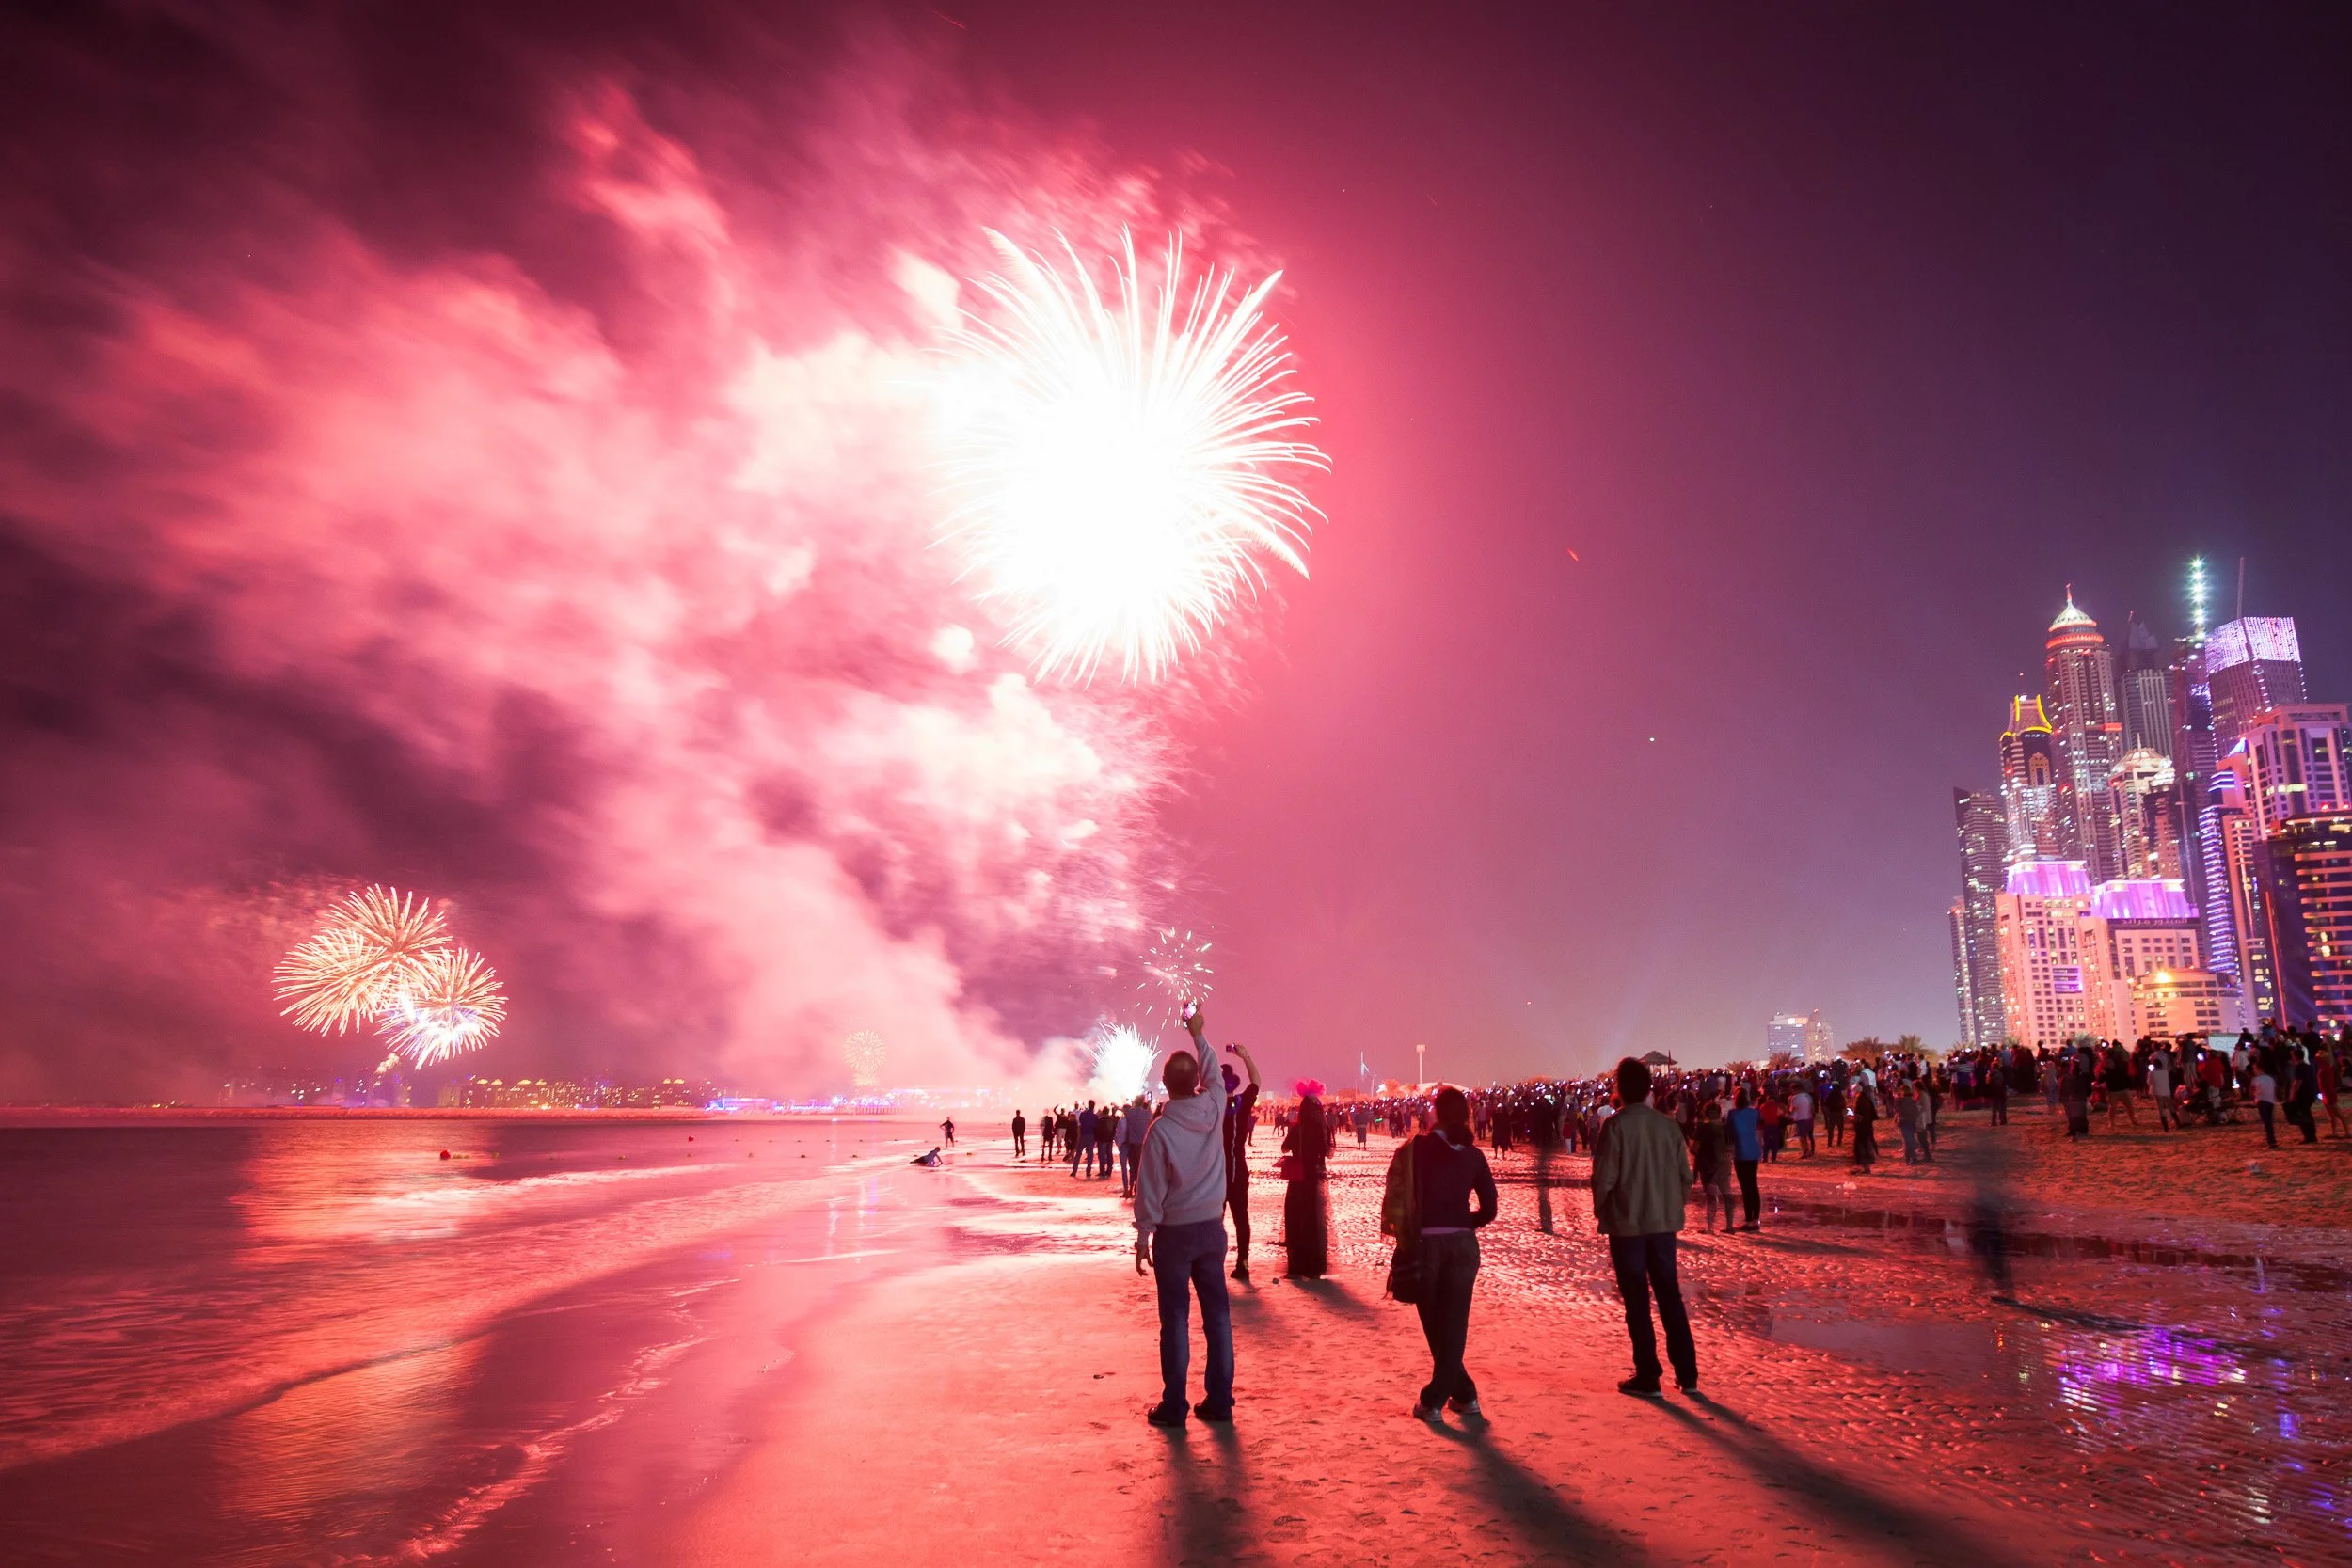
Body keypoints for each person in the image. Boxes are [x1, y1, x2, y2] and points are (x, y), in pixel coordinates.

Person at [1134, 1004, 1234, 1427]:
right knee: (1218, 1317)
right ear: (1196, 1082)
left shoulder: (1161, 1131)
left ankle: (1175, 1405)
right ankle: (1219, 1400)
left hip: (1174, 1236)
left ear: (1164, 1085)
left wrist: (1143, 1236)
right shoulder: (1214, 1108)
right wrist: (1198, 1033)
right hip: (1212, 1230)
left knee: (1174, 1318)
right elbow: (1213, 1072)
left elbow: (1150, 1189)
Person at [1591, 1056, 1698, 1397]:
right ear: (1650, 1088)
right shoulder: (1668, 1127)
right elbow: (1686, 1177)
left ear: (1619, 1088)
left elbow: (1604, 1178)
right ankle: (1688, 1373)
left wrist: (1603, 1212)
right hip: (1663, 1225)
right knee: (1670, 1296)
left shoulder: (1616, 1127)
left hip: (1627, 1227)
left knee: (1636, 1301)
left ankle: (1648, 1374)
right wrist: (1672, 1206)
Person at [1391, 1085, 1498, 1420]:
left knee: (1437, 1324)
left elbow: (1398, 1195)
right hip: (1464, 1246)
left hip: (1427, 1245)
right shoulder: (1473, 1155)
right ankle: (1464, 1394)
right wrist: (1466, 1222)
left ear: (1434, 1113)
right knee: (1452, 1323)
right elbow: (1491, 1207)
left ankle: (1434, 1399)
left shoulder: (1418, 1149)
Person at [1220, 1045, 1264, 1279]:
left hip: (1216, 1173)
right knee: (1241, 1219)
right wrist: (1245, 1055)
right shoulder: (1240, 1103)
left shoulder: (1210, 1106)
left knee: (1215, 1222)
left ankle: (1214, 1263)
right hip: (1238, 1171)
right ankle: (1243, 1262)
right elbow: (1256, 1081)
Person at [1281, 1092, 1330, 1277]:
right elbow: (1327, 1151)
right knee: (1315, 1221)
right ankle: (1314, 1264)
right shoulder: (1322, 1129)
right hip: (1315, 1179)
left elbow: (1284, 1147)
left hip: (1298, 1178)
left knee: (1296, 1220)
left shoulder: (1297, 1129)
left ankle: (1297, 1263)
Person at [1724, 1087, 1762, 1230]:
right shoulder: (1754, 1112)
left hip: (1740, 1151)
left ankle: (1749, 1219)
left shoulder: (1733, 1114)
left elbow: (1729, 1132)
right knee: (1753, 1184)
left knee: (1745, 1187)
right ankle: (1756, 1219)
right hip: (1753, 1150)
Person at [1691, 1101, 1731, 1233]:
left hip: (1708, 1165)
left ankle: (1710, 1228)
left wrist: (1694, 1168)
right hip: (1724, 1163)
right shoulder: (1725, 1127)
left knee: (1711, 1196)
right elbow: (1730, 1147)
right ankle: (1729, 1226)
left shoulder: (1703, 1128)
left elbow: (1695, 1149)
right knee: (1726, 1194)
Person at [1117, 1095, 1151, 1197]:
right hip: (1143, 1144)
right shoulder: (1147, 1113)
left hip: (1132, 1143)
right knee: (1140, 1168)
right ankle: (1138, 1189)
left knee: (1132, 1168)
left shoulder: (1130, 1113)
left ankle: (1131, 1188)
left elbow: (1123, 1112)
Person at [1789, 1084, 1816, 1158]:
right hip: (1809, 1118)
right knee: (1809, 1136)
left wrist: (1789, 1115)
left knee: (1802, 1137)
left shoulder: (1795, 1098)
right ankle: (1810, 1151)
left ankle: (1805, 1152)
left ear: (1795, 1089)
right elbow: (1812, 1107)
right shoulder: (1808, 1096)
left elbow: (1792, 1109)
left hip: (1801, 1119)